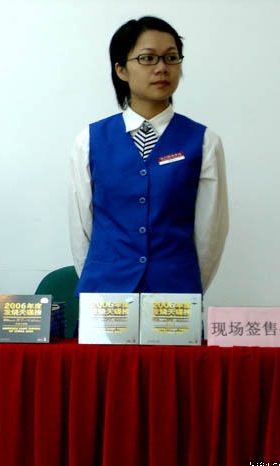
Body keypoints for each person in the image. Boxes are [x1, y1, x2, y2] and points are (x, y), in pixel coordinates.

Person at [69, 16, 228, 295]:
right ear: (121, 69)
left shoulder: (204, 142)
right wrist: (98, 283)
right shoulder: (89, 141)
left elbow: (210, 233)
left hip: (175, 293)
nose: (162, 68)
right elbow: (81, 227)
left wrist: (187, 289)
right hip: (105, 292)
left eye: (171, 58)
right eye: (148, 58)